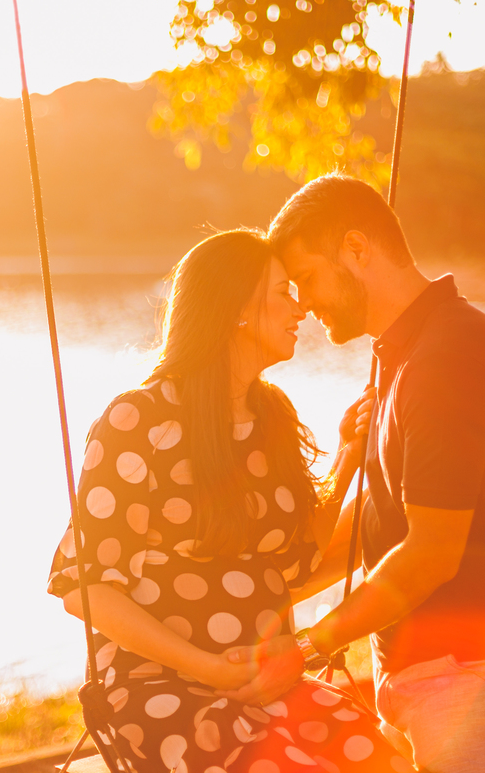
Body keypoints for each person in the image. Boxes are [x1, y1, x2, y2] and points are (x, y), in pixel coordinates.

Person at [47, 230, 411, 773]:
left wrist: (348, 459)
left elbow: (294, 561)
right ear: (237, 309)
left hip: (264, 690)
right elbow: (87, 588)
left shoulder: (274, 419)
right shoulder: (137, 421)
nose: (301, 308)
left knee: (379, 761)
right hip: (160, 691)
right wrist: (212, 670)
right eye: (284, 292)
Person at [240, 174, 485, 773]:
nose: (305, 304)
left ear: (357, 250)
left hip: (475, 678)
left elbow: (430, 554)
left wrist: (311, 644)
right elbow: (375, 538)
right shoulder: (405, 357)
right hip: (426, 680)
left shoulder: (449, 356)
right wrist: (245, 603)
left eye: (308, 278)